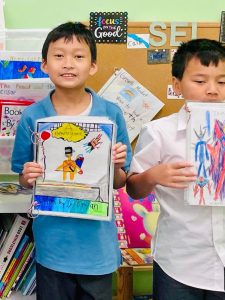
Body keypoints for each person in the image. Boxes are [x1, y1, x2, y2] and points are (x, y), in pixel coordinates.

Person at [126, 38, 225, 300]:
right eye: (200, 81)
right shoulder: (159, 132)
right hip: (179, 262)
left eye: (222, 81)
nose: (212, 90)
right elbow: (134, 189)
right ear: (177, 84)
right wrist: (153, 176)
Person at [11, 22, 132, 300]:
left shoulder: (110, 115)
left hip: (97, 246)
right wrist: (28, 176)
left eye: (78, 56)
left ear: (92, 66)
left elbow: (120, 181)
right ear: (44, 65)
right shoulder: (32, 117)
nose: (68, 64)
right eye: (58, 56)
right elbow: (23, 177)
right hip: (53, 245)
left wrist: (115, 164)